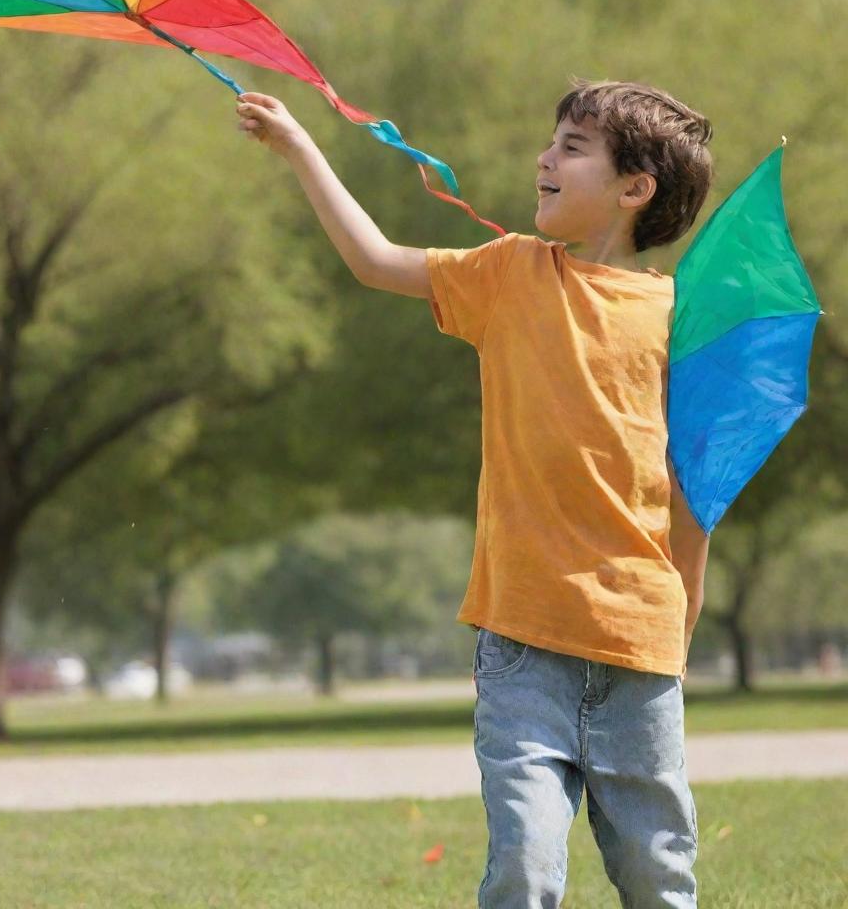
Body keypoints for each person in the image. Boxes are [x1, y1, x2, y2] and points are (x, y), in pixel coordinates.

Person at [235, 76, 713, 908]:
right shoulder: (510, 275)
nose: (544, 156)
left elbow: (693, 487)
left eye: (572, 146)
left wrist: (684, 615)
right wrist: (300, 148)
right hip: (522, 639)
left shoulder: (680, 317)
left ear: (636, 189)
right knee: (524, 867)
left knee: (656, 873)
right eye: (551, 139)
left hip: (638, 643)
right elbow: (376, 260)